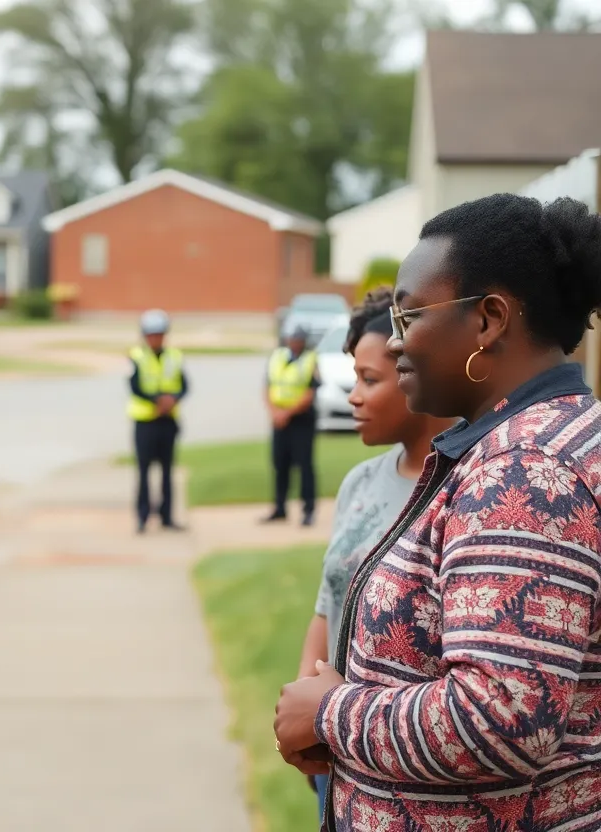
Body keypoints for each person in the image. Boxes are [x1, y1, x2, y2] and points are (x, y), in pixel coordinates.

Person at [274, 193, 601, 830]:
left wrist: (333, 712)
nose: (395, 344)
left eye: (411, 315)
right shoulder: (544, 438)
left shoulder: (526, 471)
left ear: (488, 321)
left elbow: (503, 718)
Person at [292, 287, 456, 821]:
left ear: (413, 373)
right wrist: (301, 716)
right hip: (332, 746)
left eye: (370, 379)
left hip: (404, 766)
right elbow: (327, 603)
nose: (353, 397)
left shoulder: (465, 493)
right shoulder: (359, 483)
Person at [127, 308, 188, 533]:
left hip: (168, 421)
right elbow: (133, 387)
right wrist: (156, 400)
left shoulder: (175, 356)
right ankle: (143, 516)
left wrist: (173, 400)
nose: (155, 338)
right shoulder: (136, 356)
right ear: (144, 336)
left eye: (159, 334)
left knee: (167, 471)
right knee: (143, 471)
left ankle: (167, 516)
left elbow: (184, 385)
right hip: (145, 421)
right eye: (151, 334)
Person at [263, 326, 320, 526]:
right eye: (292, 338)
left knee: (304, 465)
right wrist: (274, 413)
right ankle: (279, 508)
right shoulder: (277, 357)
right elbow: (268, 386)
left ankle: (308, 510)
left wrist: (287, 413)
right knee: (280, 464)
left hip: (301, 420)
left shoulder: (310, 360)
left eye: (298, 339)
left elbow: (309, 393)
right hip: (279, 420)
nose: (294, 342)